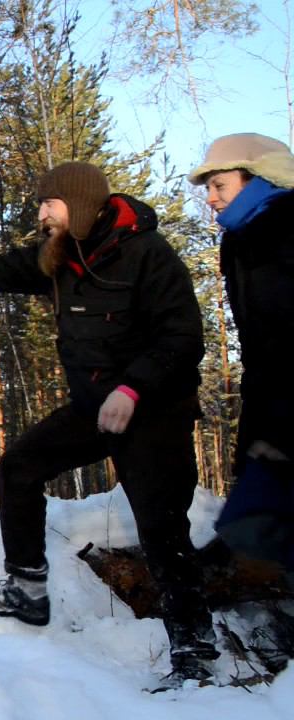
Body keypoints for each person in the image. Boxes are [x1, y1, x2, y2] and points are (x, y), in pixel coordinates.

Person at [0, 161, 218, 689]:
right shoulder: (60, 257)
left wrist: (132, 388)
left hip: (155, 410)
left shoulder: (147, 254)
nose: (41, 214)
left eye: (49, 204)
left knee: (162, 528)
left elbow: (183, 337)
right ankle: (28, 588)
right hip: (97, 406)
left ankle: (195, 651)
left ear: (78, 203)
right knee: (21, 465)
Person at [189, 133, 294, 578]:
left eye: (220, 186)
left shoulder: (287, 229)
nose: (210, 199)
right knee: (251, 526)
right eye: (208, 189)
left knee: (259, 526)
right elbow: (264, 345)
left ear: (256, 180)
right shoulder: (241, 240)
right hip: (274, 405)